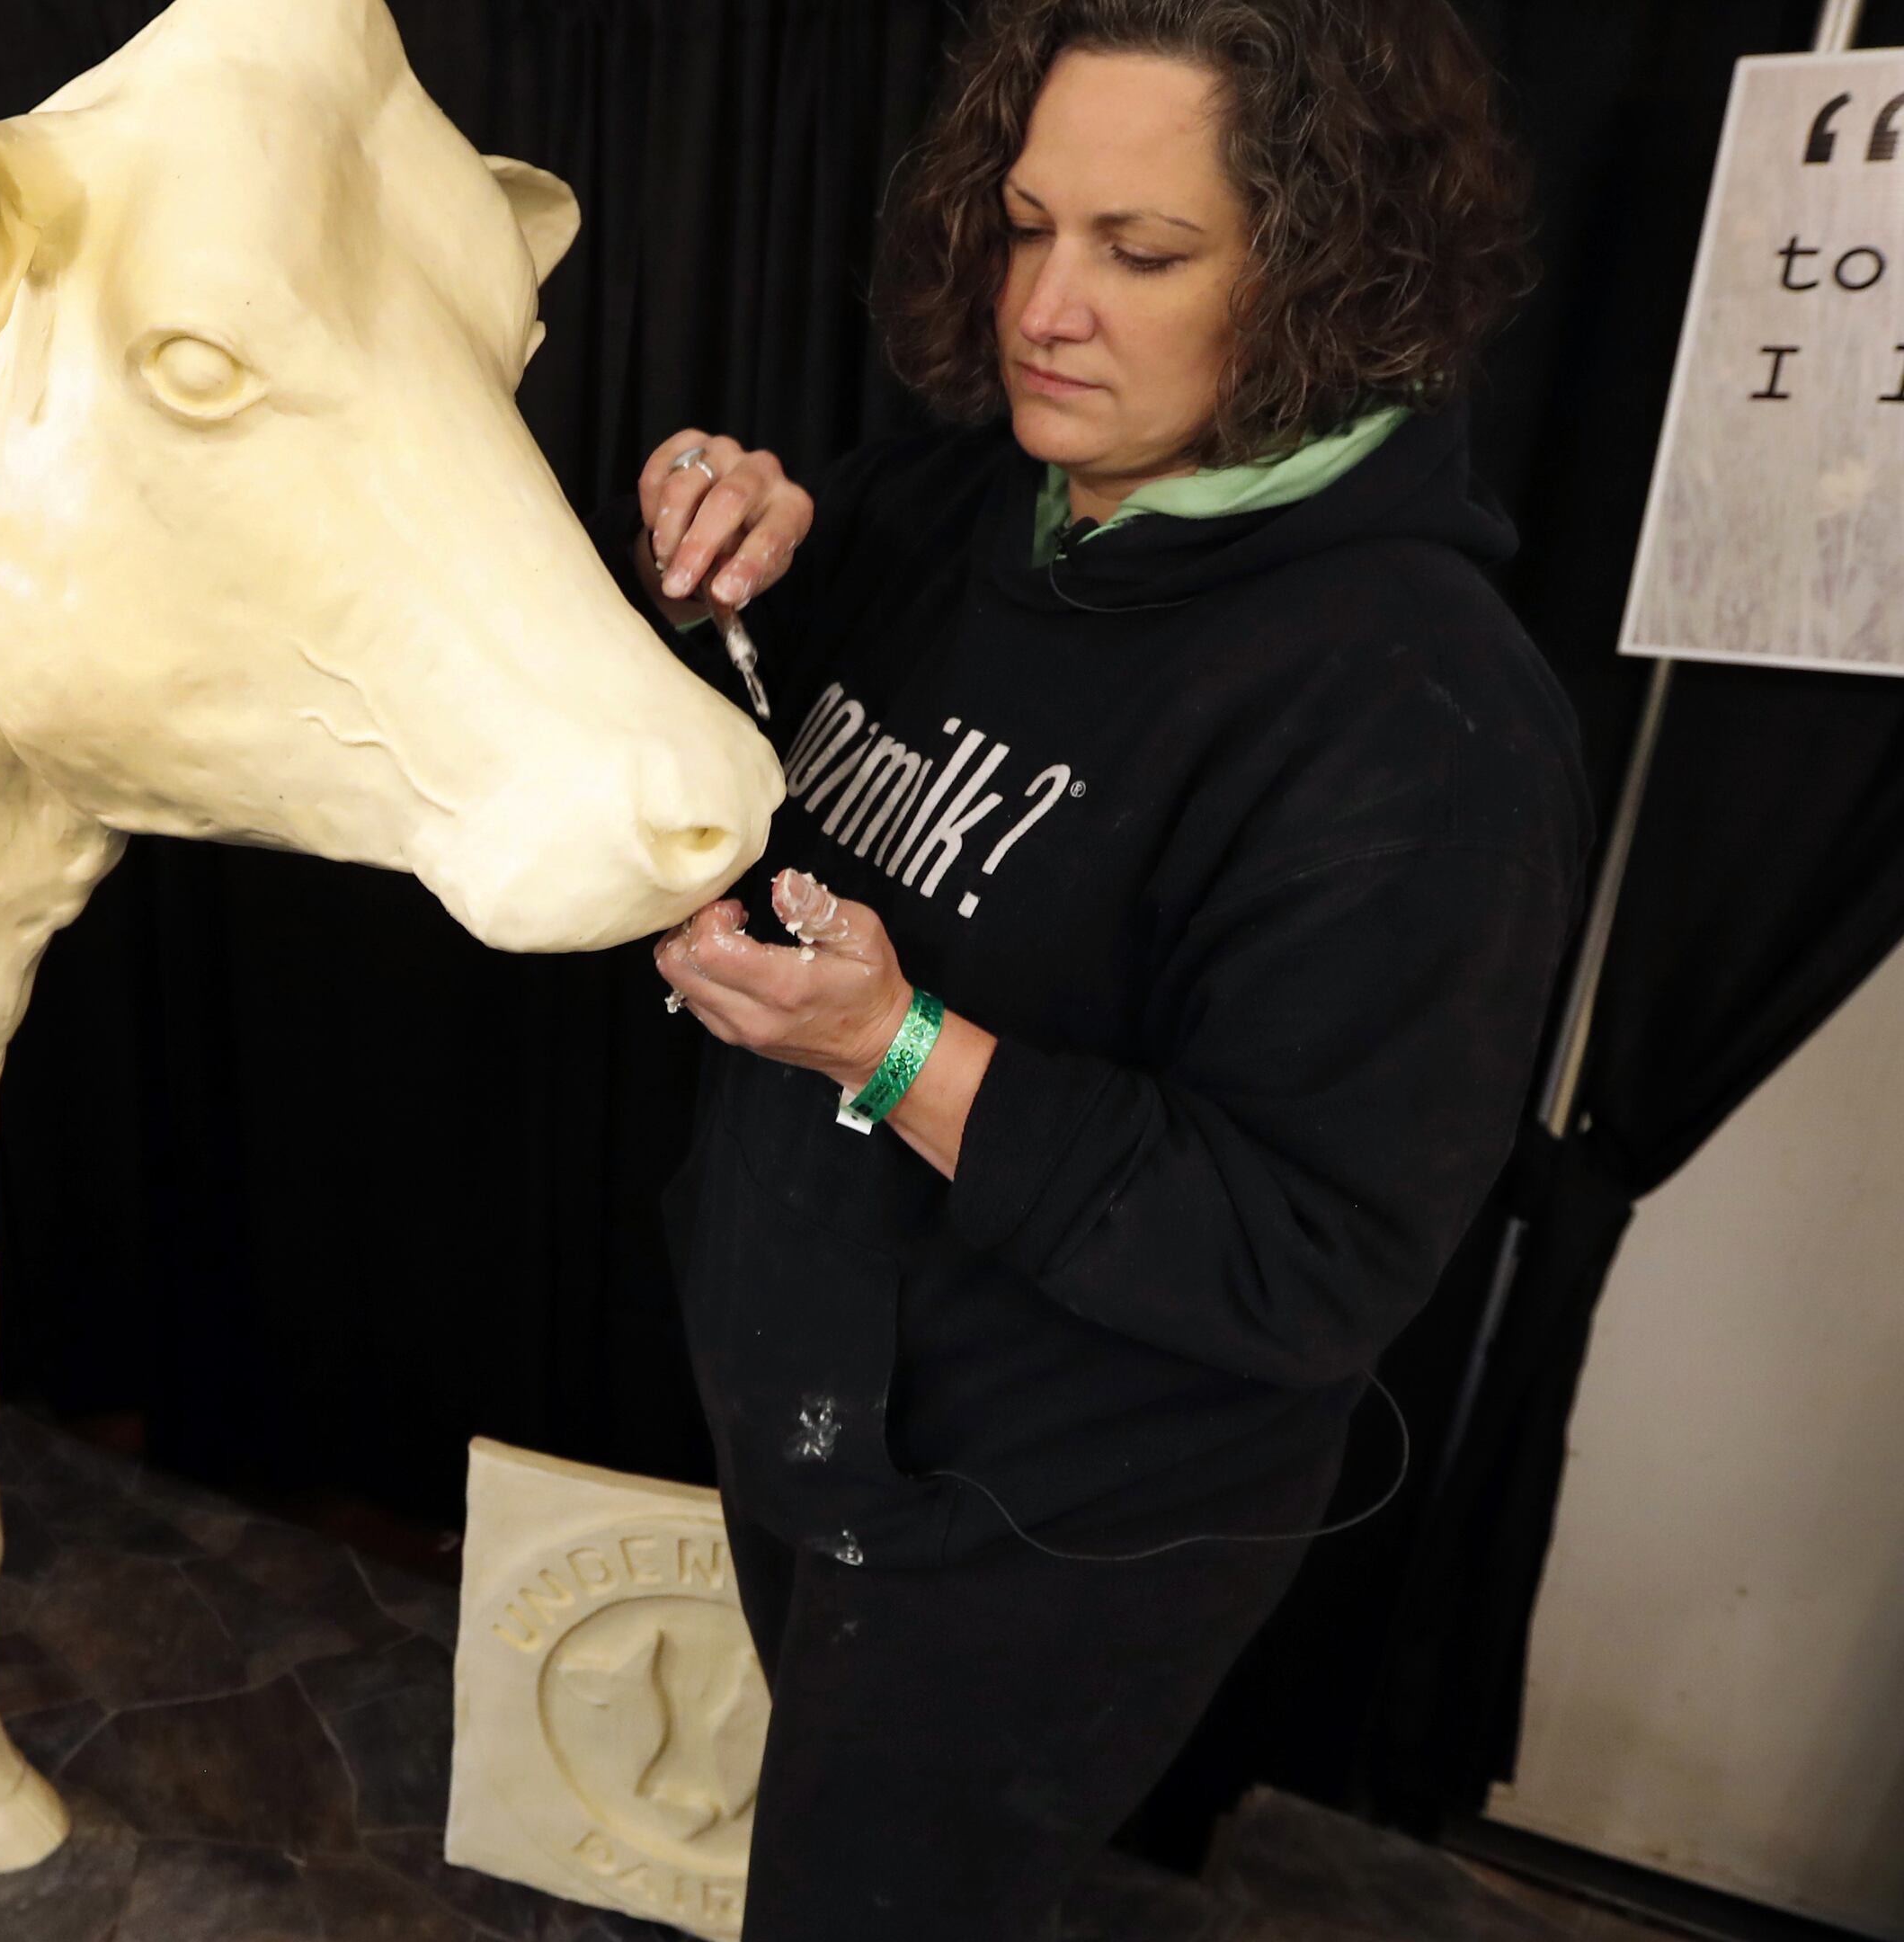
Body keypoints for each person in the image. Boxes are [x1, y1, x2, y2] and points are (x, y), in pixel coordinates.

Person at [637, 0, 1584, 1934]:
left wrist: (895, 1053)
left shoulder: (1420, 717)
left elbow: (1304, 1258)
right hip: (814, 1407)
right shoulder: (954, 500)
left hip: (1042, 1525)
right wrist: (744, 539)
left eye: (1142, 254)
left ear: (1334, 273)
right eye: (1026, 223)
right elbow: (788, 764)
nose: (1042, 309)